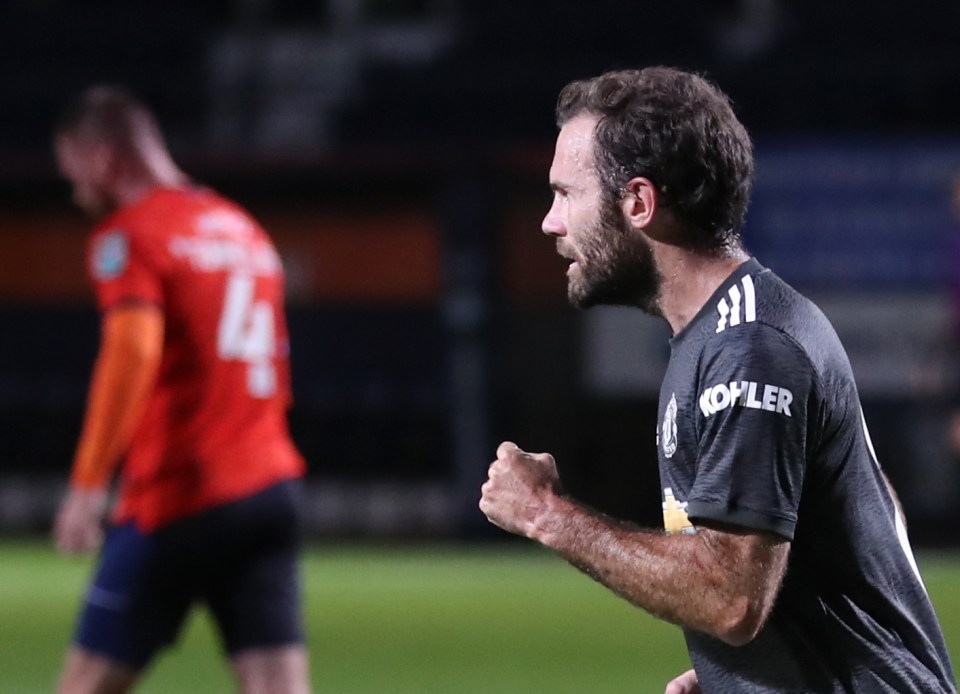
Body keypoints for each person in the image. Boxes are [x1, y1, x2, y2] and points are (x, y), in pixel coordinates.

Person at [479, 66, 957, 693]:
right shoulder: (727, 330)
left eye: (566, 194)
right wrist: (753, 671)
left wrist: (547, 514)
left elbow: (730, 601)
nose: (550, 222)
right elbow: (850, 511)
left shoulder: (749, 347)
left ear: (640, 204)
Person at [52, 86, 310, 694]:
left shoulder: (134, 233)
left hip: (179, 495)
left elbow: (132, 350)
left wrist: (89, 484)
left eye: (74, 173)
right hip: (269, 487)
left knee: (84, 684)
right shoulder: (242, 229)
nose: (75, 193)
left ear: (102, 158)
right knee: (277, 685)